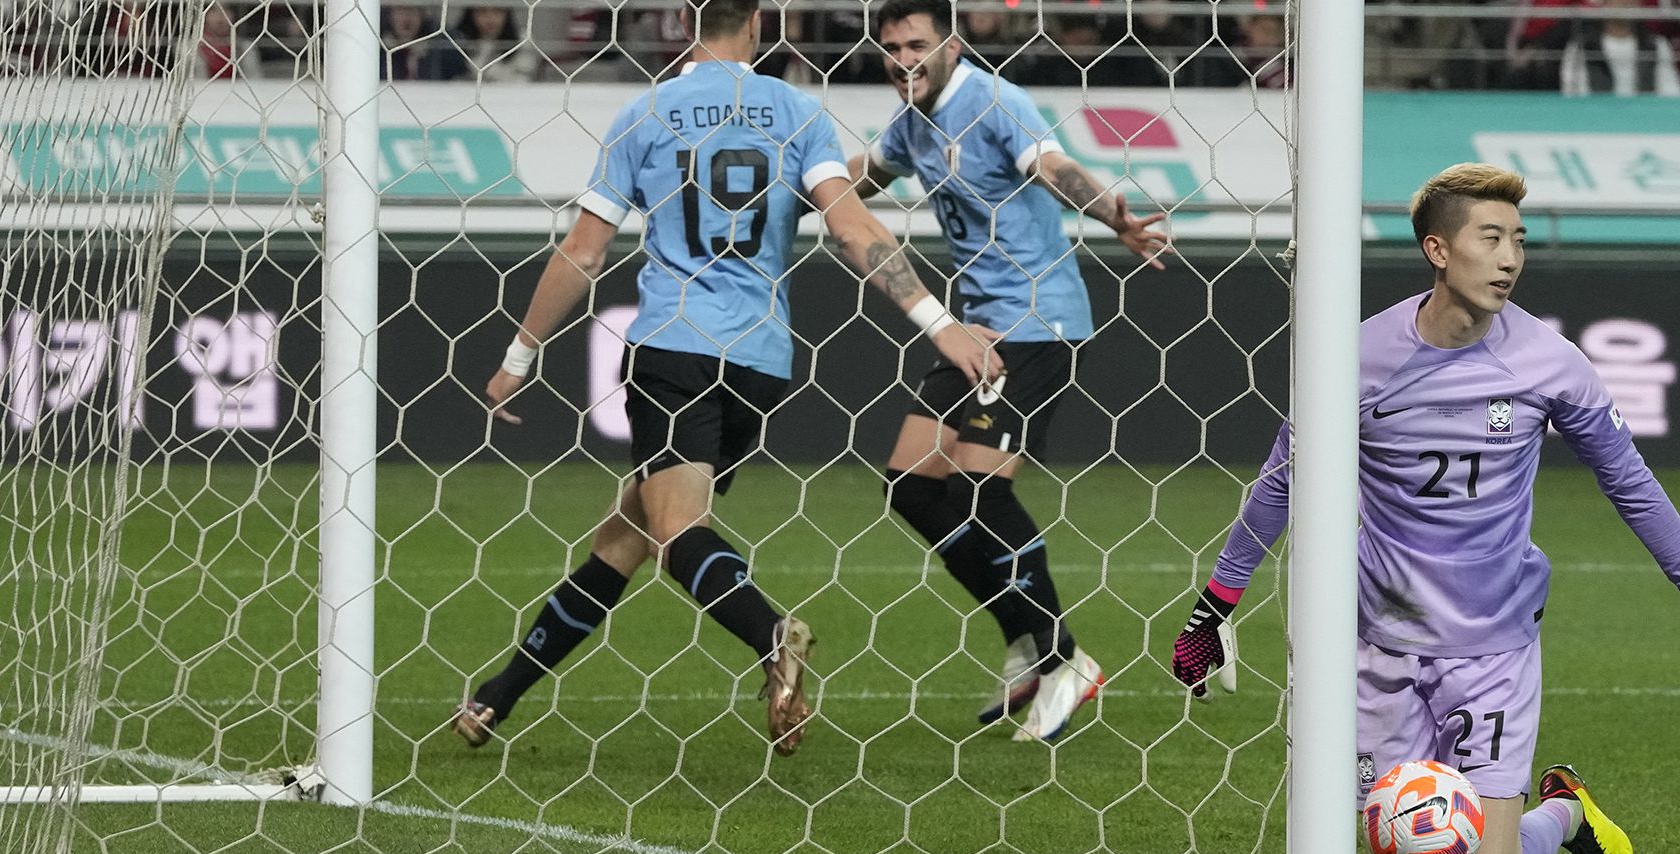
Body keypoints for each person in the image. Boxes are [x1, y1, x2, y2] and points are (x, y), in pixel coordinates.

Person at [1170, 163, 1680, 854]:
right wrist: (1216, 606)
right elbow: (1280, 482)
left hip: (1494, 645)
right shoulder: (1353, 359)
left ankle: (1566, 810)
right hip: (1380, 641)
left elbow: (1630, 482)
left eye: (1517, 239)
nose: (1510, 257)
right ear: (1438, 249)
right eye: (1490, 237)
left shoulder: (1550, 364)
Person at [451, 0, 1002, 758]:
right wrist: (942, 323)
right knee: (630, 531)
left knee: (678, 533)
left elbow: (583, 251)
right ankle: (496, 697)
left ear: (684, 18)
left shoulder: (645, 113)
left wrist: (519, 354)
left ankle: (771, 634)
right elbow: (853, 230)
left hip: (674, 349)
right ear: (762, 24)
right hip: (759, 361)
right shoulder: (796, 112)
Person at [846, 0, 1171, 743]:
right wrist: (800, 193)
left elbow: (1053, 167)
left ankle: (1065, 659)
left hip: (1040, 323)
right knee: (911, 483)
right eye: (892, 48)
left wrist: (1111, 215)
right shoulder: (912, 120)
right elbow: (865, 176)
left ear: (952, 44)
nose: (904, 60)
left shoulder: (992, 100)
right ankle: (1025, 635)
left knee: (979, 489)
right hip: (978, 328)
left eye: (918, 45)